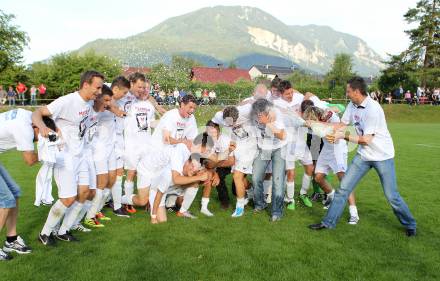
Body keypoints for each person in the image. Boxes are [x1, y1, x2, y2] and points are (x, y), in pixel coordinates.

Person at [309, 77, 417, 237]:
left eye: (348, 91)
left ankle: (410, 224)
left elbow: (366, 140)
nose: (347, 94)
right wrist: (327, 129)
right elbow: (342, 124)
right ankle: (328, 222)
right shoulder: (352, 105)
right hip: (364, 156)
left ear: (357, 92)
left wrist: (342, 136)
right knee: (343, 188)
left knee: (392, 196)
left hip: (382, 156)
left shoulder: (373, 109)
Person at [33, 70, 104, 245]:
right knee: (68, 198)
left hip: (80, 155)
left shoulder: (88, 104)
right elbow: (36, 113)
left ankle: (63, 231)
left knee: (85, 193)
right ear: (86, 84)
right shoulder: (67, 101)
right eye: (97, 87)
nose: (99, 92)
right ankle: (45, 233)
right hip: (65, 157)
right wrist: (43, 128)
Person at [0, 109, 55, 260]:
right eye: (41, 136)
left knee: (15, 192)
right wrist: (49, 153)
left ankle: (11, 240)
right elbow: (29, 160)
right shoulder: (25, 129)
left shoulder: (28, 115)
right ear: (37, 127)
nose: (39, 140)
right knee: (6, 200)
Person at [302, 106, 359, 224]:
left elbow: (338, 126)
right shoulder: (318, 120)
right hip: (327, 149)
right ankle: (332, 197)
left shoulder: (330, 115)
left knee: (344, 181)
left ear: (316, 116)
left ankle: (354, 213)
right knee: (318, 177)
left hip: (338, 148)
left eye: (311, 119)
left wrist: (317, 123)